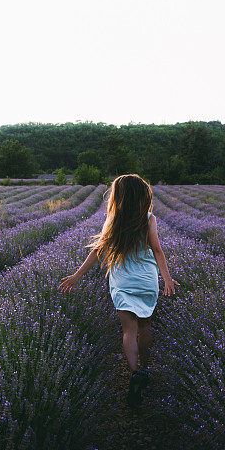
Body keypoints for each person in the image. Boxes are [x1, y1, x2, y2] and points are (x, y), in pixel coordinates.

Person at [59, 174, 178, 407]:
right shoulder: (149, 218)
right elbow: (157, 250)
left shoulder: (113, 218)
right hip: (146, 280)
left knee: (128, 330)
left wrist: (76, 276)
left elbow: (98, 251)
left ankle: (134, 372)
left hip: (123, 281)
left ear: (118, 195)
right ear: (143, 195)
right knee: (145, 326)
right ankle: (145, 368)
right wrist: (167, 279)